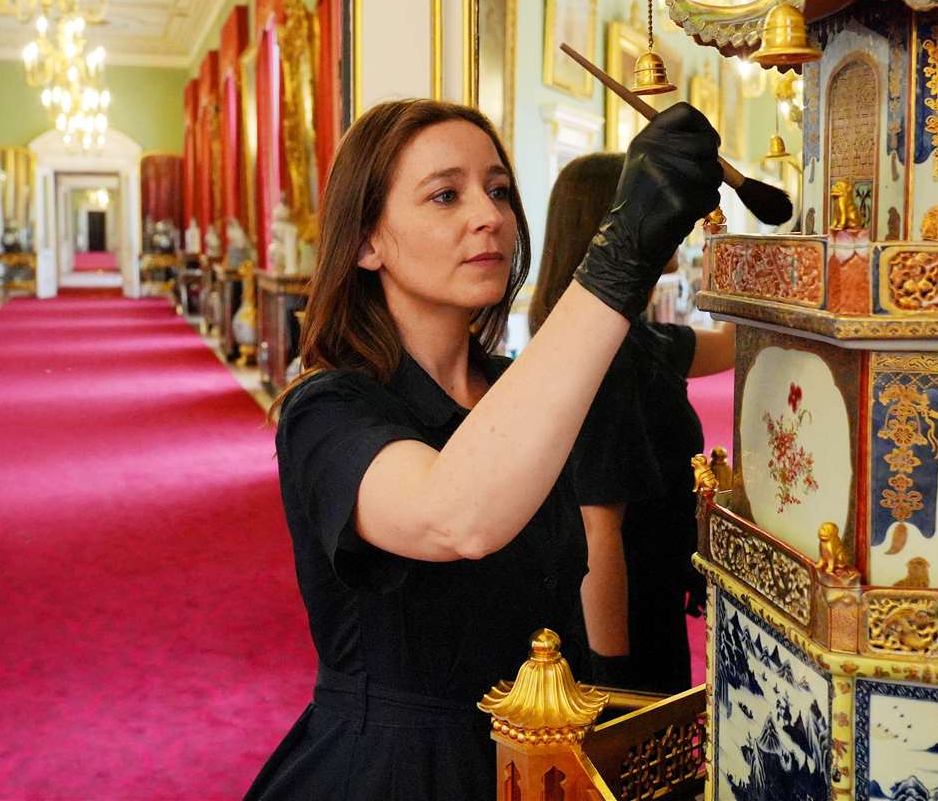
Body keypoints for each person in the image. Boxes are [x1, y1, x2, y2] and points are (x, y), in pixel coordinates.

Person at [246, 99, 722, 800]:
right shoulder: (328, 410)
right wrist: (619, 256)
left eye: (498, 190)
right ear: (367, 242)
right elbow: (455, 515)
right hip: (399, 774)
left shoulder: (513, 391)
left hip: (538, 765)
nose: (490, 216)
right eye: (446, 195)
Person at [530, 153, 735, 695]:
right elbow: (600, 531)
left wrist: (735, 265)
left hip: (652, 590)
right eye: (658, 206)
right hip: (626, 616)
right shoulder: (606, 358)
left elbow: (729, 347)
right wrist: (616, 683)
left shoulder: (629, 338)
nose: (673, 219)